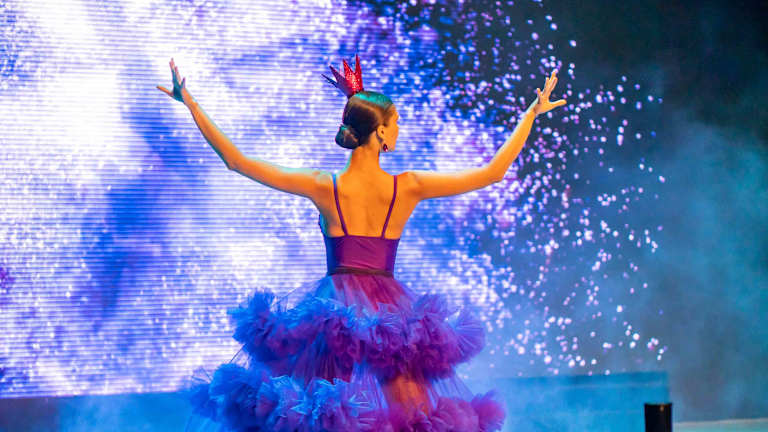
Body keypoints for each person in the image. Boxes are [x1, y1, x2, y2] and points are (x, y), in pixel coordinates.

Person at [158, 54, 566, 431]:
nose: (400, 129)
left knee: (320, 409)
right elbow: (493, 172)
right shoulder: (407, 186)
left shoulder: (325, 185)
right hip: (389, 316)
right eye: (397, 122)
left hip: (333, 311)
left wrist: (191, 104)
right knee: (409, 410)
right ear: (381, 132)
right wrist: (530, 114)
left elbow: (237, 161)